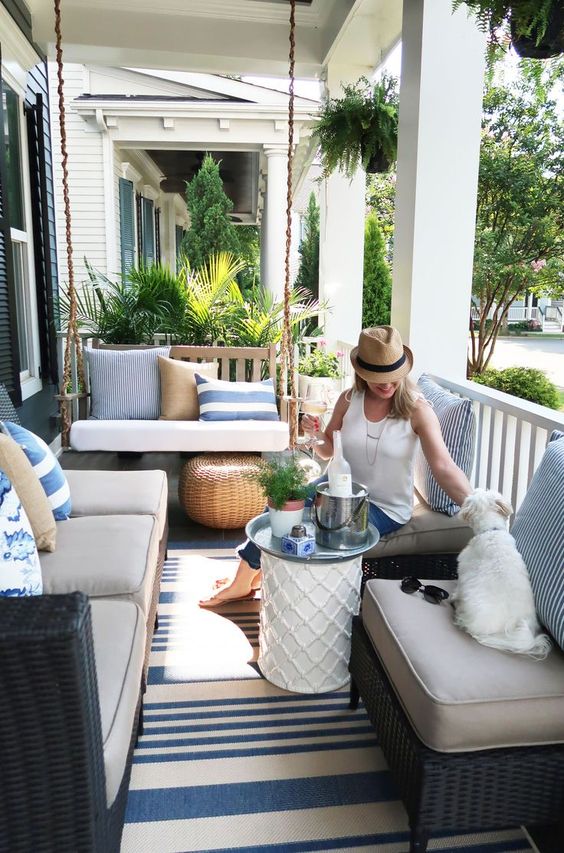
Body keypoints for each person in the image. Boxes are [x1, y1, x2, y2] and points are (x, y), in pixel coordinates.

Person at [199, 325, 472, 607]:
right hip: (335, 488)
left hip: (382, 506)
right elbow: (328, 450)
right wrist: (315, 433)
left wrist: (477, 506)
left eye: (393, 376)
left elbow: (443, 466)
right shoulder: (348, 400)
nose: (388, 384)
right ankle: (247, 575)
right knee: (282, 502)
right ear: (362, 373)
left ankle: (249, 579)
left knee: (311, 521)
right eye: (379, 377)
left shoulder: (417, 410)